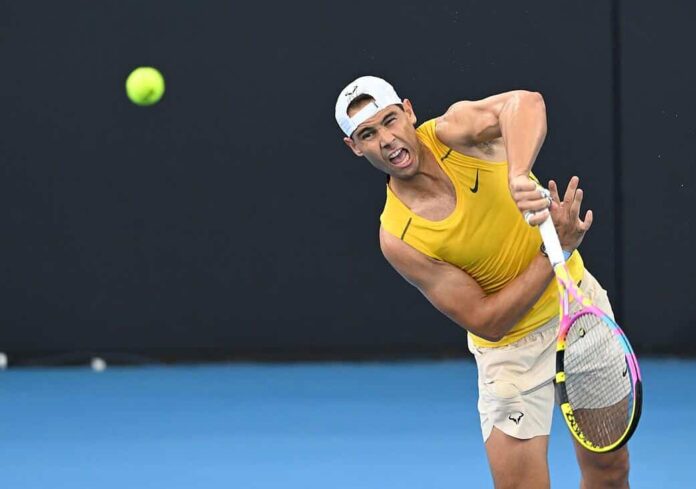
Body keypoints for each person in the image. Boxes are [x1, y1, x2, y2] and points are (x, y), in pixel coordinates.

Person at [334, 76, 630, 489]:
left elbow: (527, 103)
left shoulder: (455, 133)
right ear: (354, 147)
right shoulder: (399, 237)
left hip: (582, 315)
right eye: (368, 134)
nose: (387, 139)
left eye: (390, 120)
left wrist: (518, 173)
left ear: (409, 111)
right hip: (510, 356)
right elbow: (489, 321)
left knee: (610, 473)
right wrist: (555, 253)